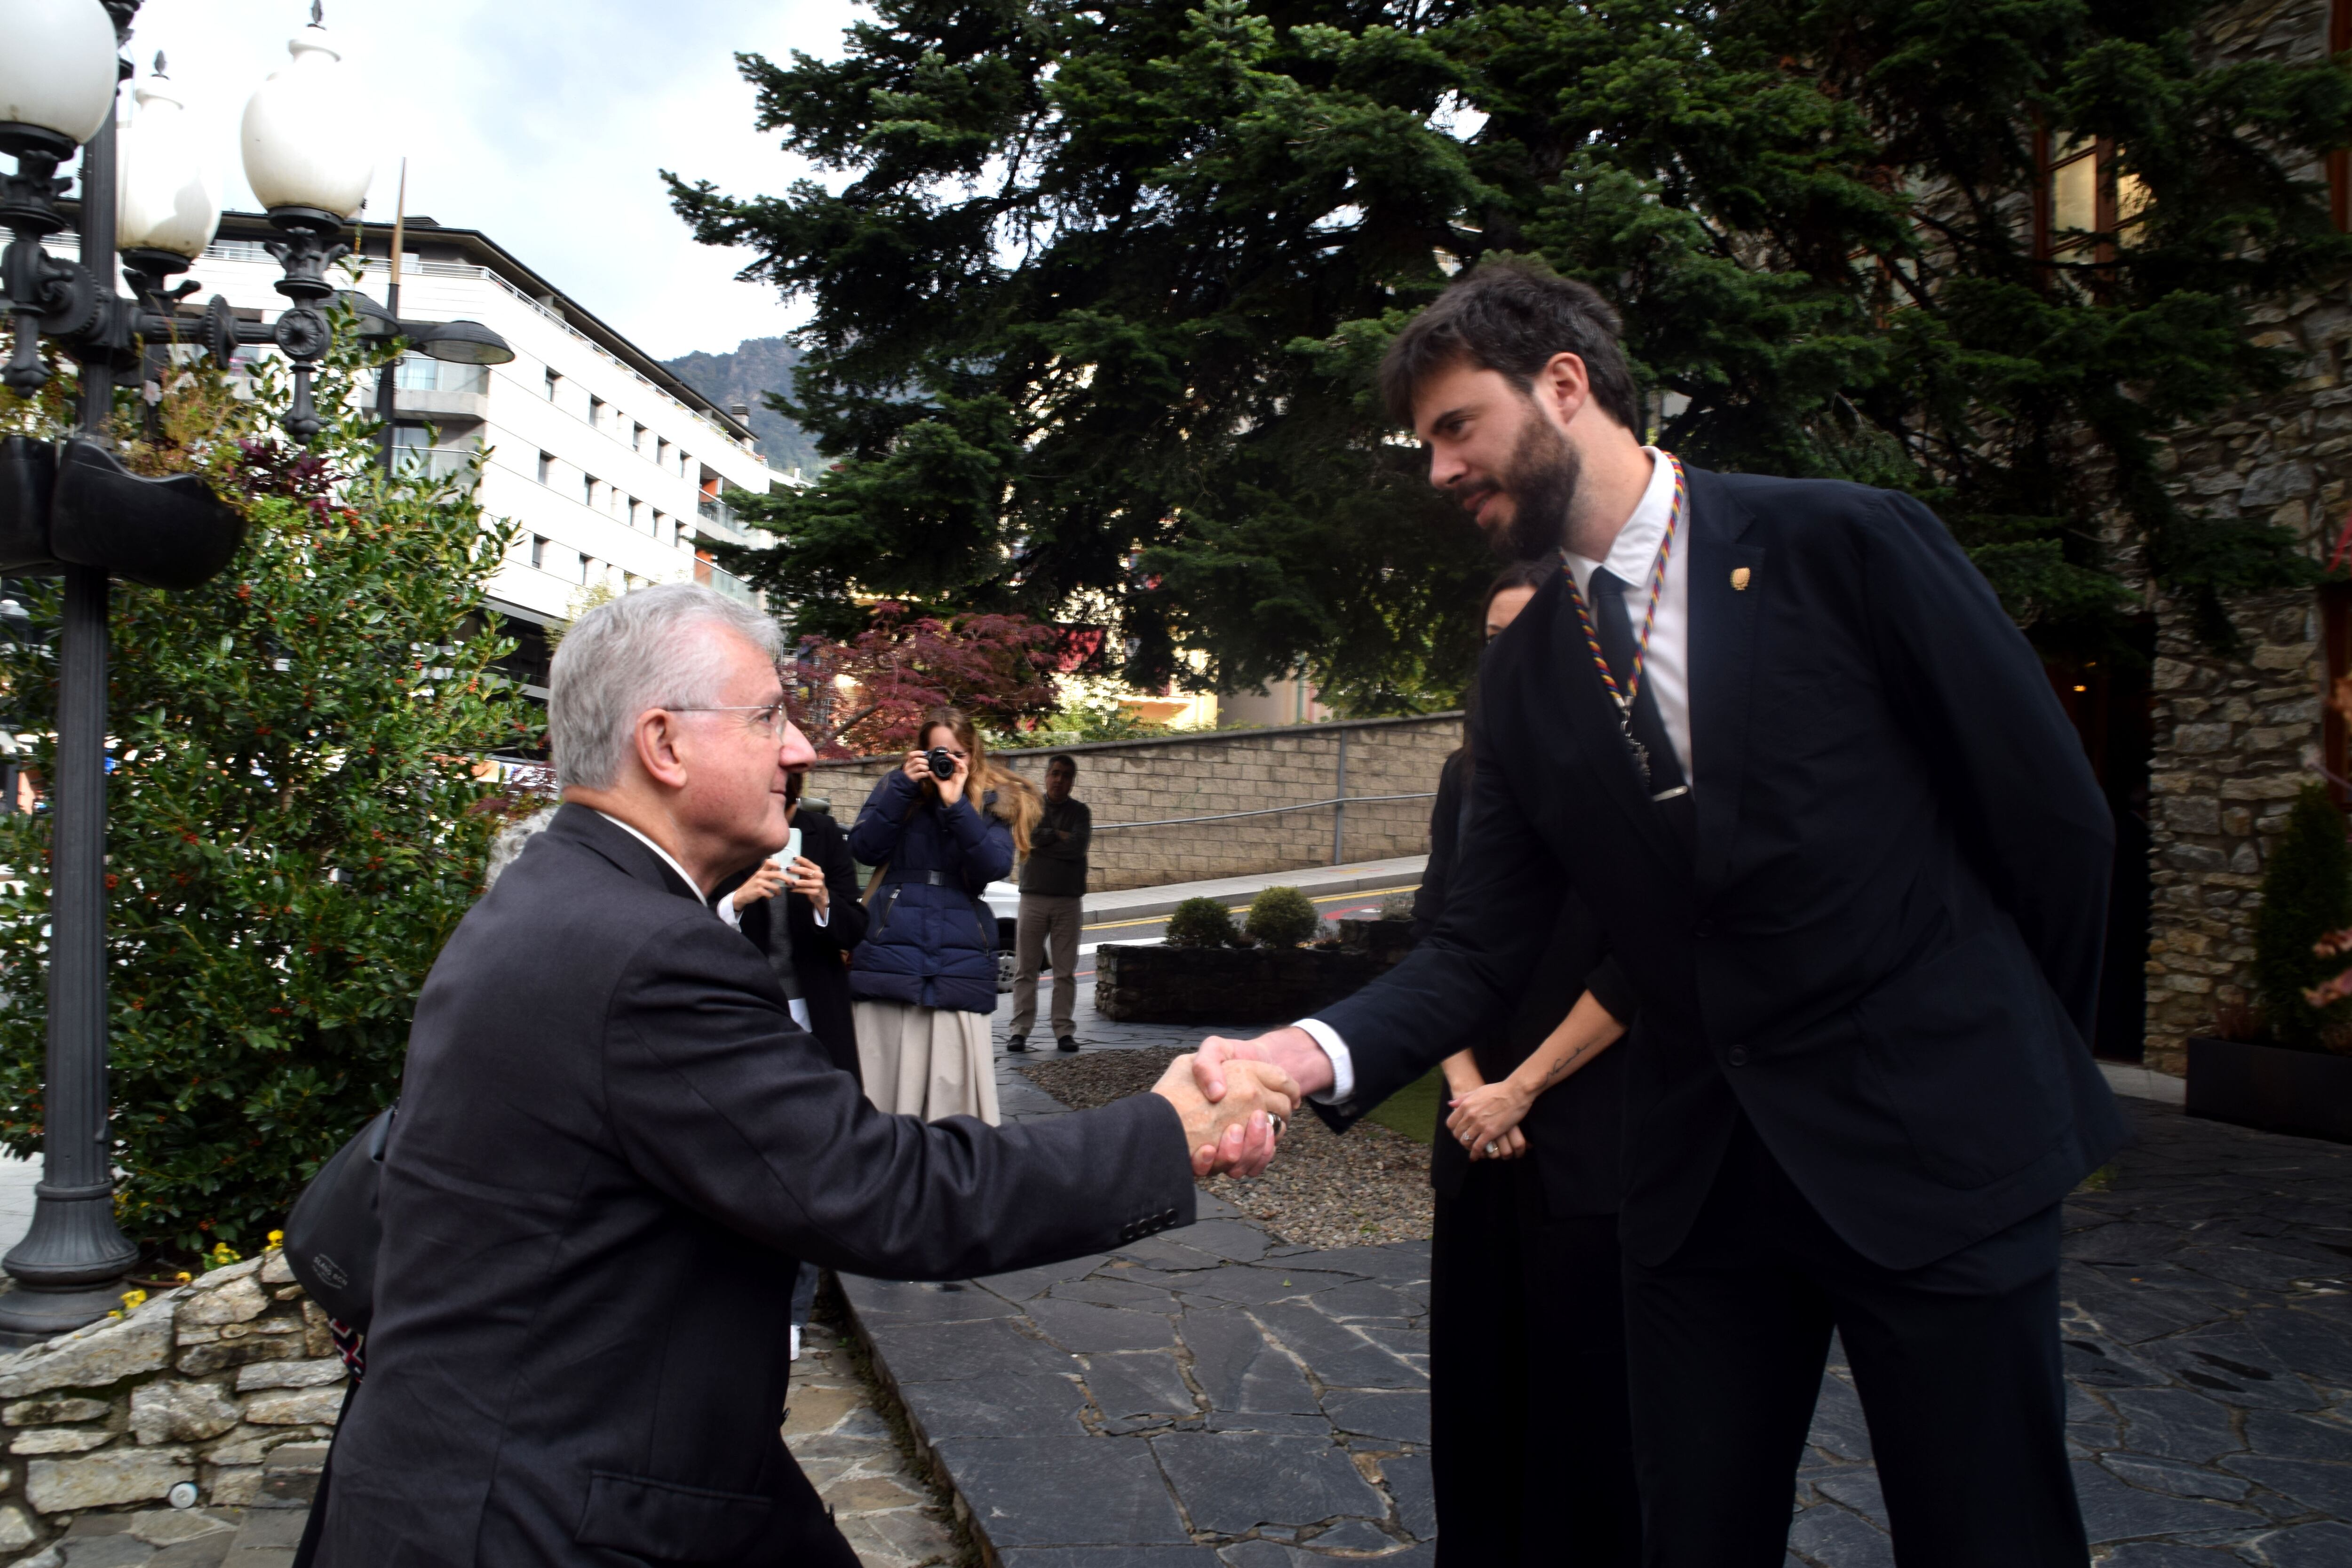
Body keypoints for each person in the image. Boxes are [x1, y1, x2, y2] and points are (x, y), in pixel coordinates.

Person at [1194, 259, 2124, 1568]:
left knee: (1990, 1534)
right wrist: (1300, 1055)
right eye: (1427, 444)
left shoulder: (1846, 541)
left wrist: (2011, 1068)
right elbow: (1477, 945)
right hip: (1694, 1191)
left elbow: (2053, 826)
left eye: (1458, 425)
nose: (1441, 470)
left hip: (1939, 1151)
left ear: (1563, 385)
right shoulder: (1523, 674)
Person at [315, 584, 1297, 1567]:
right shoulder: (644, 950)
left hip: (578, 1461)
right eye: (770, 716)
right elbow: (882, 1191)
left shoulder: (552, 896)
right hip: (539, 1515)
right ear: (664, 743)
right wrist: (1166, 1130)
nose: (803, 749)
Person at [1413, 559, 1641, 1566]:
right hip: (1477, 1135)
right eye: (1493, 639)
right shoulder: (1465, 780)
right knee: (1475, 1388)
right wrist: (1469, 1089)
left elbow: (1640, 959)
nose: (1507, 657)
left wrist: (1523, 1086)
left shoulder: (1639, 772)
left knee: (1584, 1412)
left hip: (1591, 1139)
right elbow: (1438, 939)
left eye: (1531, 635)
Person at [713, 769, 867, 1358]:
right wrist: (737, 901)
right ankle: (741, 1298)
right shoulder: (731, 832)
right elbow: (687, 914)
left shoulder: (823, 835)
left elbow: (858, 924)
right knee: (746, 1162)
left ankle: (793, 1314)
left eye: (792, 798)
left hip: (814, 1016)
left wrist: (825, 902)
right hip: (746, 1020)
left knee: (809, 1163)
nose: (785, 807)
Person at [847, 707, 1039, 1122]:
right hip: (890, 954)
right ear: (921, 752)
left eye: (957, 753)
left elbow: (992, 867)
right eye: (938, 751)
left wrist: (957, 806)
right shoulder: (899, 790)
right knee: (881, 1089)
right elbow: (863, 848)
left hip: (958, 960)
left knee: (951, 1099)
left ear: (972, 756)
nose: (947, 761)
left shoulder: (994, 803)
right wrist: (902, 786)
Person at [1009, 751, 1090, 1053]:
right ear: (1046, 776)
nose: (1059, 779)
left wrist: (1046, 842)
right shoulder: (1032, 806)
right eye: (1055, 773)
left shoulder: (1081, 812)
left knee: (1065, 971)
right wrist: (1057, 835)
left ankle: (1063, 1032)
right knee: (1025, 969)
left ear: (1072, 781)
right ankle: (1019, 1031)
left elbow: (1077, 849)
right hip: (1033, 896)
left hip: (1068, 900)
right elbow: (1025, 840)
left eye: (1066, 775)